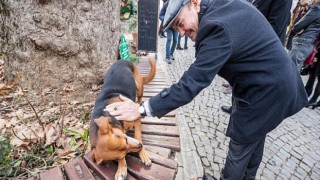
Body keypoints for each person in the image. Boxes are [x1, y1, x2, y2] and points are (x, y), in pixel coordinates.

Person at [105, 0, 308, 179]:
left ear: (194, 3)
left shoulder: (216, 26)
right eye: (177, 29)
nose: (182, 32)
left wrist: (142, 109)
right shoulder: (220, 9)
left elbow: (191, 83)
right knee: (255, 136)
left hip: (266, 91)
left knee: (241, 145)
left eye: (180, 23)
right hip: (268, 83)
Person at [221, 0, 293, 114]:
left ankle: (242, 117)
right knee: (242, 81)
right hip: (251, 42)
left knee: (253, 89)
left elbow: (277, 24)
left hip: (262, 49)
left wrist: (256, 44)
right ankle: (236, 109)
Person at [288, 0, 320, 71]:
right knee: (294, 70)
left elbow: (298, 26)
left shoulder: (317, 8)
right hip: (310, 43)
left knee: (290, 70)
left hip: (302, 42)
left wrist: (293, 30)